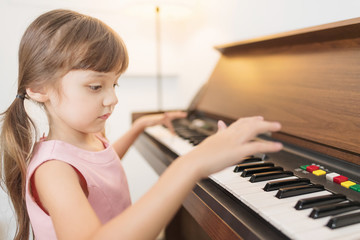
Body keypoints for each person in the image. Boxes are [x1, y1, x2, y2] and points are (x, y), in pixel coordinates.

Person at [0, 9, 283, 240]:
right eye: (96, 86)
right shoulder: (53, 170)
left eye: (115, 84)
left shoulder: (86, 139)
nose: (112, 99)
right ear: (38, 88)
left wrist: (139, 127)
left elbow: (101, 167)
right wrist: (190, 164)